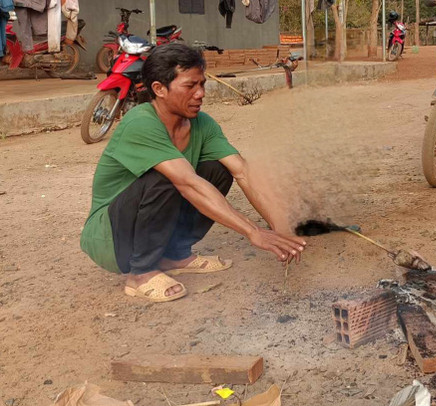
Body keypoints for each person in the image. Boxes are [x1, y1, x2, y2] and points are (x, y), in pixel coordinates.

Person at [80, 43, 307, 303]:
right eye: (190, 86)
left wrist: (281, 229)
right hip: (112, 236)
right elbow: (187, 184)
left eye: (202, 85)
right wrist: (252, 231)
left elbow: (243, 172)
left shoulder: (203, 124)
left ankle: (174, 255)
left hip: (147, 219)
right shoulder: (140, 123)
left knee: (217, 170)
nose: (200, 94)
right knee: (170, 177)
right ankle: (140, 274)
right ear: (159, 89)